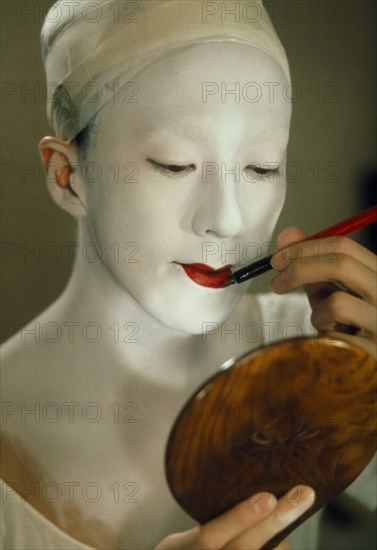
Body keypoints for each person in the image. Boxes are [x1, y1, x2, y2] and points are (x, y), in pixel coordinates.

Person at [1, 1, 376, 549]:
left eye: (262, 167)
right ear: (67, 175)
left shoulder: (328, 349)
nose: (227, 220)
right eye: (174, 164)